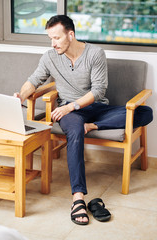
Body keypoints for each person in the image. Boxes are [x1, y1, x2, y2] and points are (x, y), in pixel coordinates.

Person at [14, 15, 153, 225]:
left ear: (71, 34)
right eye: (50, 38)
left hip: (96, 108)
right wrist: (20, 97)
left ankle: (94, 125)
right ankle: (78, 197)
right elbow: (33, 81)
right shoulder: (50, 56)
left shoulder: (95, 53)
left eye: (57, 38)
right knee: (75, 128)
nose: (53, 43)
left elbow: (98, 90)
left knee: (146, 112)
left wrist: (72, 105)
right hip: (71, 114)